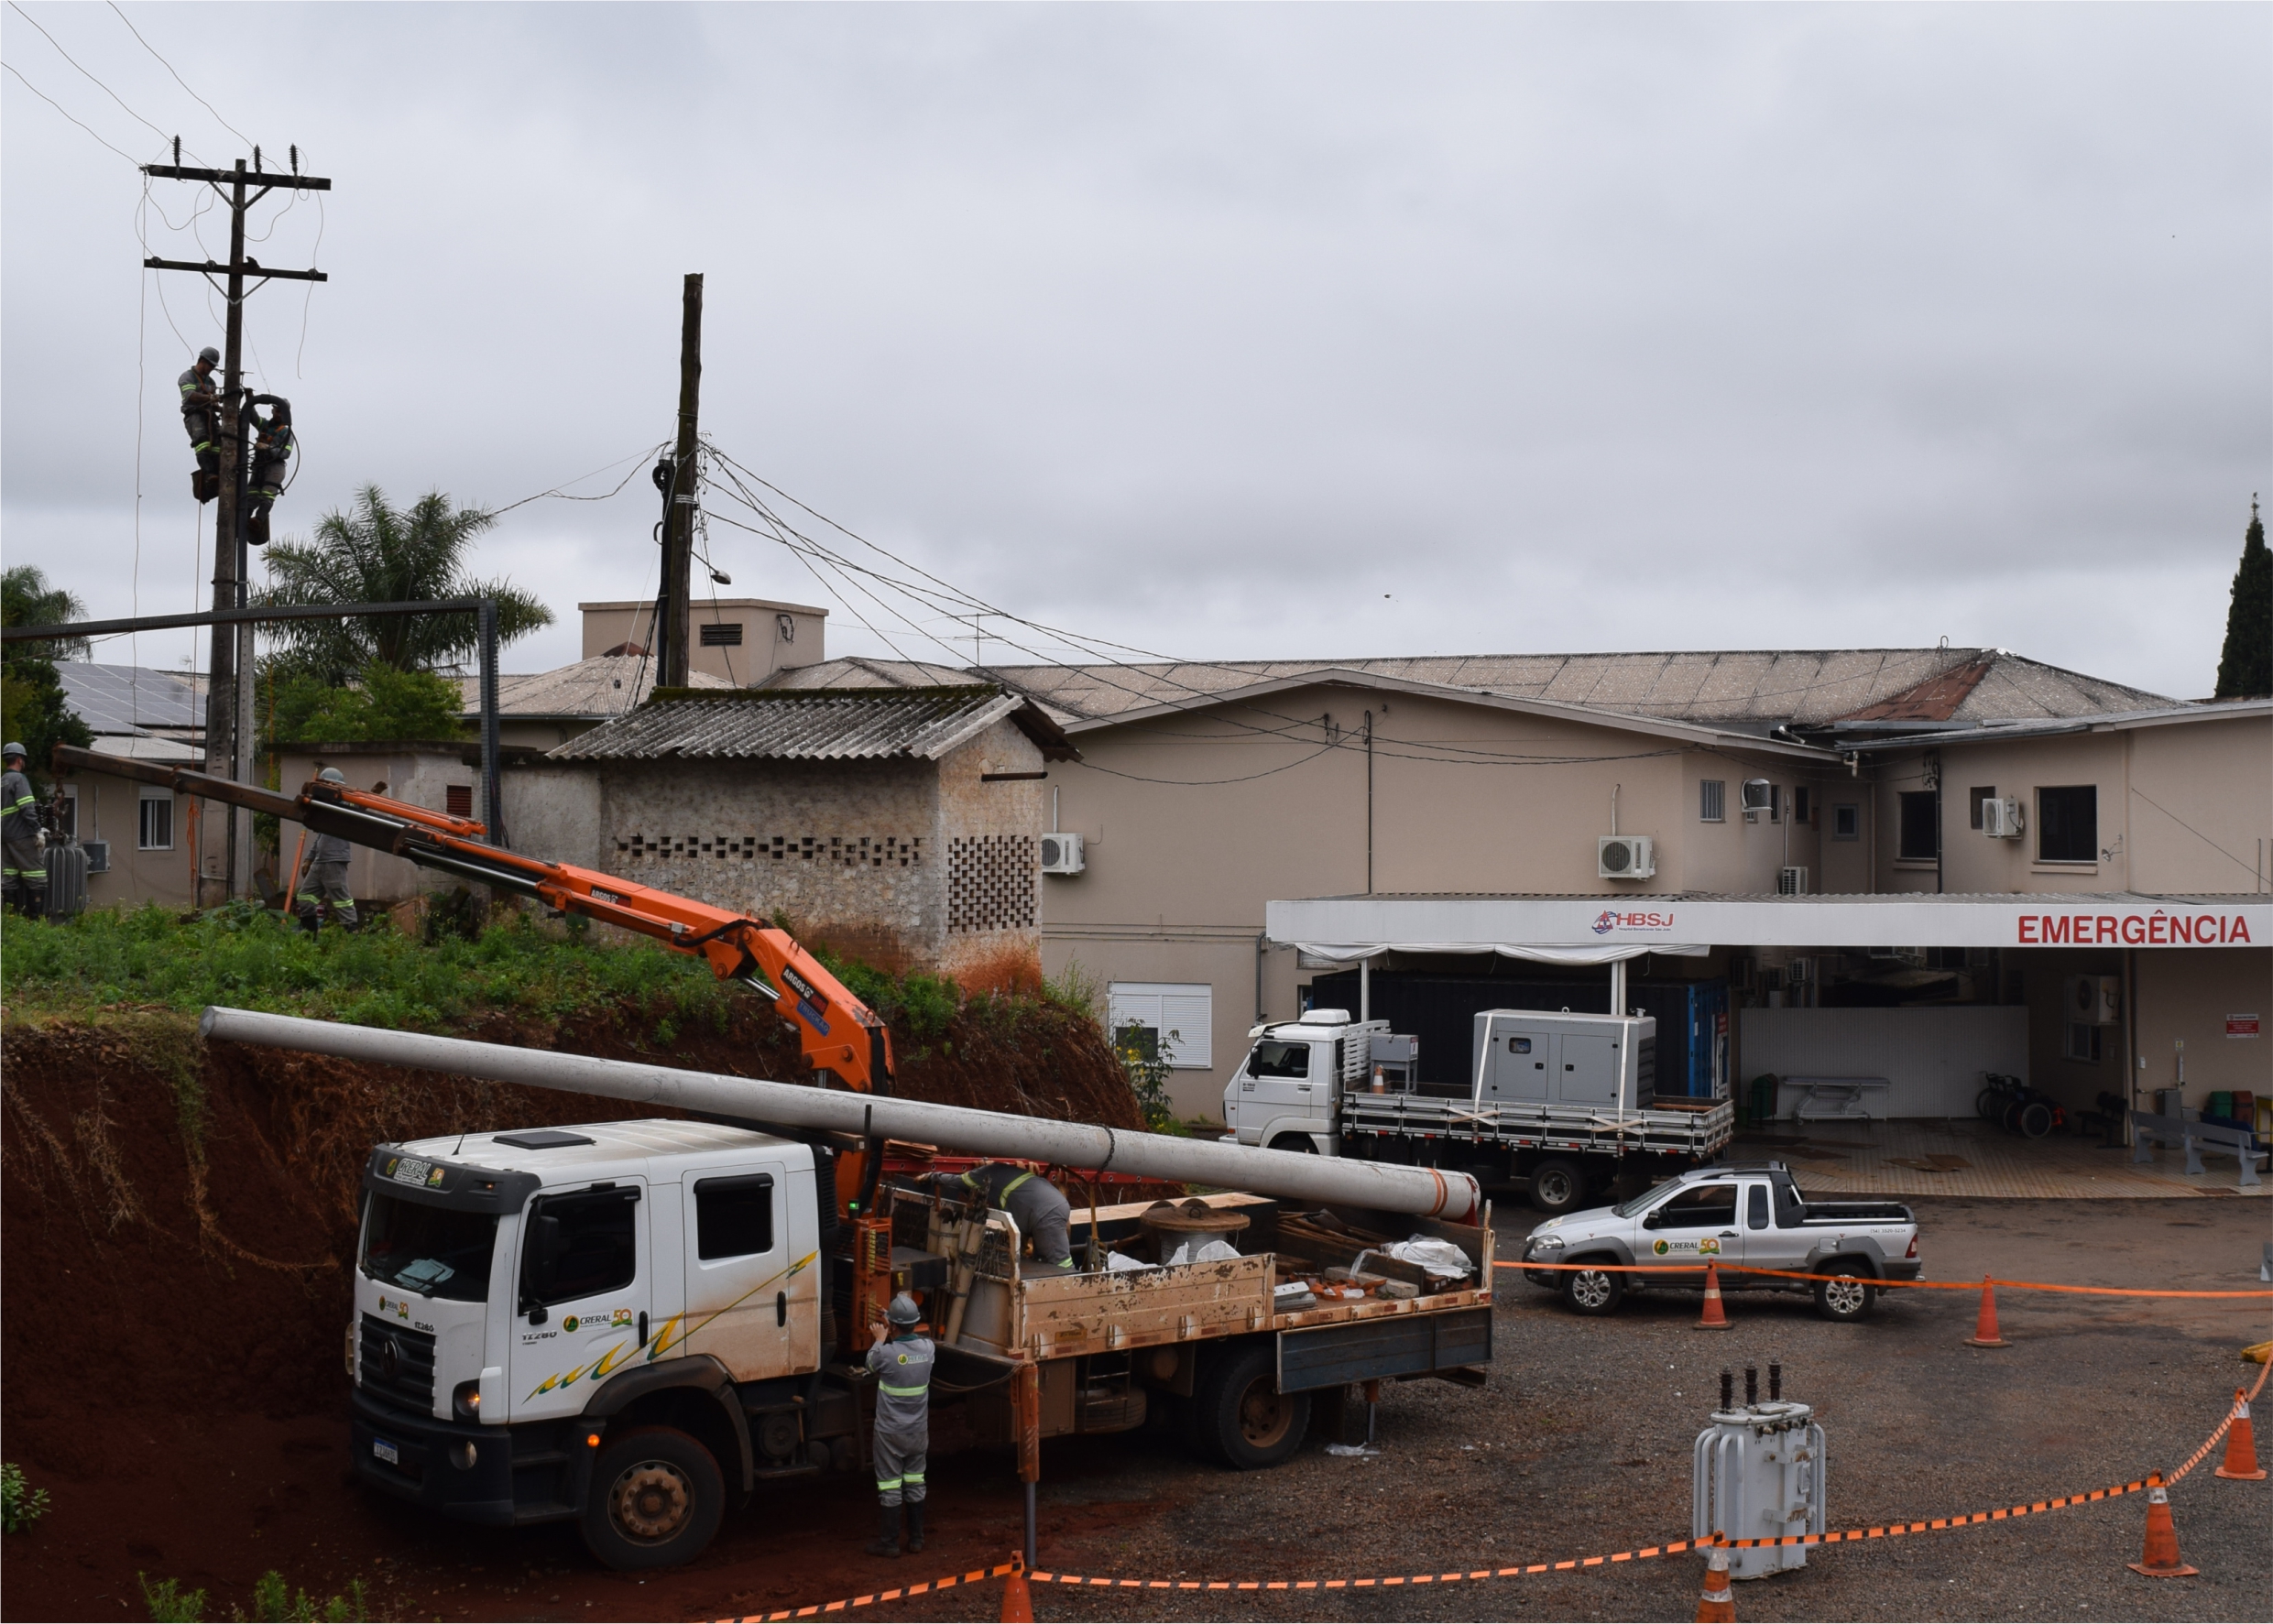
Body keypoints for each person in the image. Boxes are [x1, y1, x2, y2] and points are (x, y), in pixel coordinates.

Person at [864, 1292, 933, 1559]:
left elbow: (871, 1363)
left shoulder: (885, 1354)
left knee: (890, 1486)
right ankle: (916, 1539)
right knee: (916, 1482)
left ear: (892, 1327)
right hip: (918, 1432)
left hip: (890, 1434)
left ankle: (889, 1543)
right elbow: (908, 1353)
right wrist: (893, 1323)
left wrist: (880, 1338)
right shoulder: (928, 1350)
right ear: (915, 1323)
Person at [933, 1161, 1078, 1271]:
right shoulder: (1007, 1173)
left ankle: (1074, 1292)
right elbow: (1021, 1211)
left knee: (1059, 1262)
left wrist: (932, 1176)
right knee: (1041, 1261)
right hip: (1053, 1205)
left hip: (1045, 1214)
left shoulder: (983, 1175)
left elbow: (957, 1181)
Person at [295, 768, 361, 932]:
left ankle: (354, 938)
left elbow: (358, 808)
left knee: (342, 902)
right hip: (320, 861)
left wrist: (374, 793)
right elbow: (320, 838)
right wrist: (309, 859)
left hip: (334, 860)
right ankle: (310, 937)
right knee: (304, 899)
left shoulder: (343, 806)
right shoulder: (326, 809)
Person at [1, 744, 46, 920]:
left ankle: (11, 920)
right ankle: (35, 922)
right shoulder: (19, 780)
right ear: (20, 760)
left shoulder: (1, 781)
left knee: (9, 877)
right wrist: (37, 831)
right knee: (37, 876)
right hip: (21, 835)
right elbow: (27, 807)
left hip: (4, 837)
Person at [242, 394, 292, 544]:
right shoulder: (265, 425)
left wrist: (268, 447)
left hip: (275, 466)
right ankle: (243, 522)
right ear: (273, 411)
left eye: (281, 411)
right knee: (251, 494)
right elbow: (253, 418)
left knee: (267, 494)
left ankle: (258, 520)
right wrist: (249, 400)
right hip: (259, 465)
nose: (278, 414)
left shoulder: (286, 432)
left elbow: (286, 453)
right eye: (276, 411)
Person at [179, 345, 222, 501]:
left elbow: (213, 399)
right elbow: (190, 396)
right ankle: (209, 474)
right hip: (194, 414)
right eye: (210, 365)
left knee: (218, 444)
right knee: (202, 442)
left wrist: (219, 406)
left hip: (209, 414)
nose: (211, 369)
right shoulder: (187, 377)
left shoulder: (211, 381)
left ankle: (218, 475)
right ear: (202, 361)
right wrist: (210, 398)